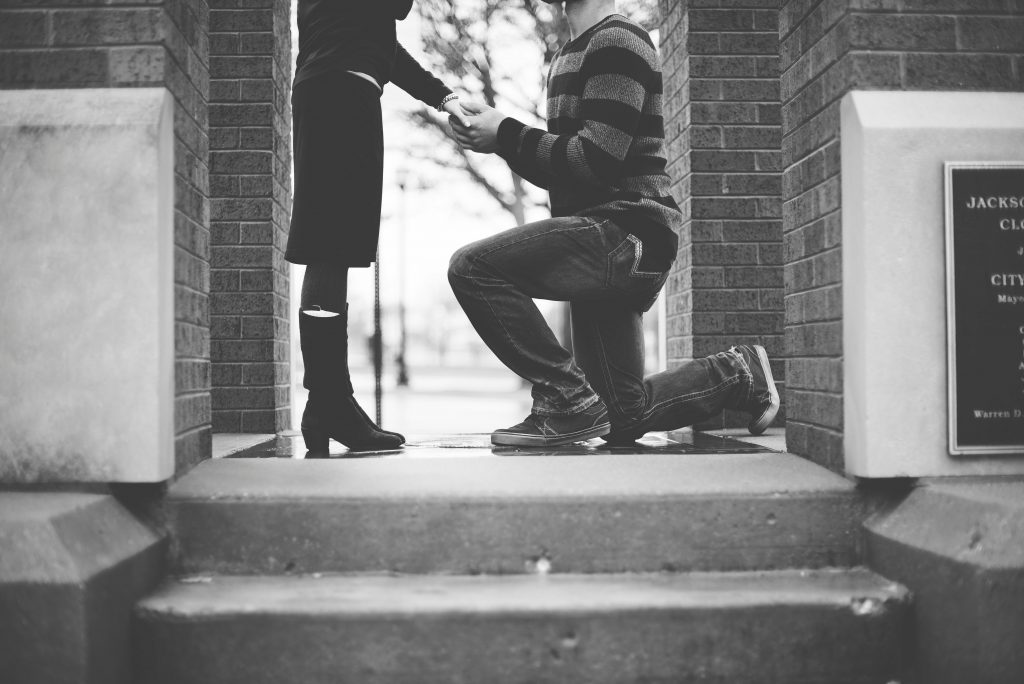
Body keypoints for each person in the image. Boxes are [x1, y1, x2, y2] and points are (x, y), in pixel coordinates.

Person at [447, 0, 779, 447]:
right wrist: (498, 141)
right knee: (620, 415)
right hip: (603, 233)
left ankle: (565, 400)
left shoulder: (617, 41)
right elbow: (567, 165)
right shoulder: (571, 53)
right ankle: (737, 373)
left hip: (628, 232)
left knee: (474, 267)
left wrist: (505, 132)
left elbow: (596, 159)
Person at [288, 0, 468, 453]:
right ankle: (330, 402)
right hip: (342, 96)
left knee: (330, 249)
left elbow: (377, 41)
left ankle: (327, 402)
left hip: (332, 89)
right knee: (331, 248)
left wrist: (443, 96)